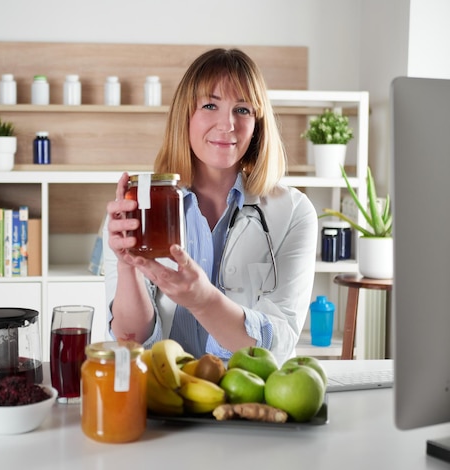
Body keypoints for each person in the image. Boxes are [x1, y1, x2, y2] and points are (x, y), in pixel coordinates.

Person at [103, 48, 317, 366]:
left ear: (258, 123)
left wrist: (204, 300)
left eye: (242, 109)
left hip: (251, 396)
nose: (227, 124)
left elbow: (280, 341)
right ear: (185, 115)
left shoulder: (294, 213)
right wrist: (127, 268)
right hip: (164, 392)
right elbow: (129, 340)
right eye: (210, 105)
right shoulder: (138, 207)